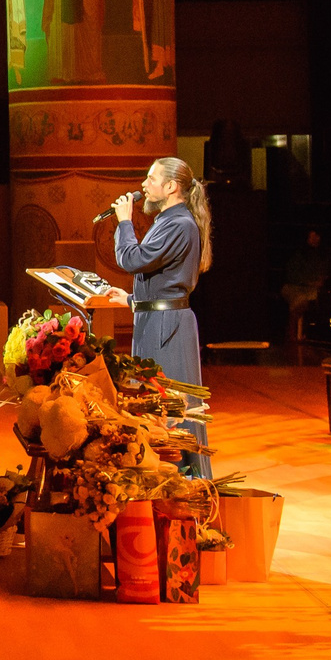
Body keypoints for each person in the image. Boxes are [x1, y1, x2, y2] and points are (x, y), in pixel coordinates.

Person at [111, 155, 211, 475]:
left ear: (170, 187)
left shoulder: (180, 224)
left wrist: (124, 222)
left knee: (169, 404)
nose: (144, 185)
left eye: (151, 179)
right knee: (152, 401)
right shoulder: (167, 221)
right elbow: (163, 279)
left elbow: (133, 259)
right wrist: (131, 299)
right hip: (156, 320)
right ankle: (158, 475)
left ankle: (182, 477)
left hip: (167, 327)